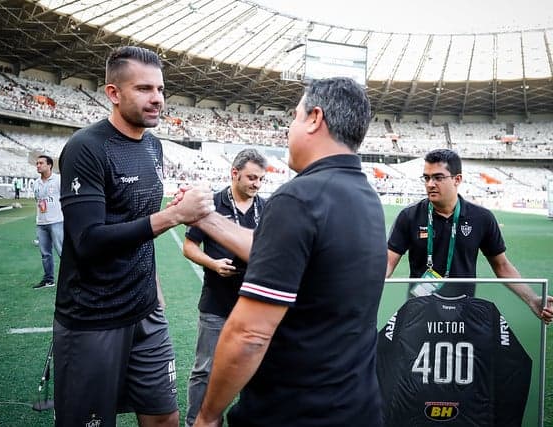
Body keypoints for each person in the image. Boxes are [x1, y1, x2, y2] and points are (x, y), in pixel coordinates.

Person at [186, 77, 387, 427]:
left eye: (294, 116)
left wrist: (207, 414)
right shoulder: (365, 197)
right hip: (355, 406)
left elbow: (250, 334)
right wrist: (205, 217)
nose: (288, 129)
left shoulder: (298, 198)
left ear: (314, 118)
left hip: (295, 411)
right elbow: (271, 251)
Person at [54, 46, 213, 427]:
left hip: (146, 311)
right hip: (94, 317)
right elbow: (88, 240)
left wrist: (152, 281)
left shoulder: (153, 145)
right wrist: (175, 215)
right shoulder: (86, 148)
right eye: (144, 89)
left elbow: (137, 218)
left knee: (164, 419)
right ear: (113, 93)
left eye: (160, 89)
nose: (157, 98)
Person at [386, 148, 553, 322]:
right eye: (426, 178)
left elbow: (502, 266)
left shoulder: (482, 218)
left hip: (463, 314)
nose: (430, 184)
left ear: (457, 179)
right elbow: (388, 263)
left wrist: (533, 300)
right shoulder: (409, 216)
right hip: (419, 312)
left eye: (438, 177)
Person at [183, 148, 267, 427]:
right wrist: (212, 263)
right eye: (251, 177)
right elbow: (189, 246)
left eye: (260, 179)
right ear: (234, 173)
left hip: (253, 305)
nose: (256, 184)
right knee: (204, 369)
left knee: (252, 368)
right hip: (216, 304)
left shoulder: (266, 208)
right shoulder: (212, 204)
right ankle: (195, 421)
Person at [33, 155, 63, 289]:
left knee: (62, 251)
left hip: (57, 221)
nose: (38, 165)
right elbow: (38, 200)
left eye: (41, 163)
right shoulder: (35, 183)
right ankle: (48, 280)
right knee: (45, 254)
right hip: (41, 222)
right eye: (37, 163)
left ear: (49, 165)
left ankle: (74, 278)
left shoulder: (58, 180)